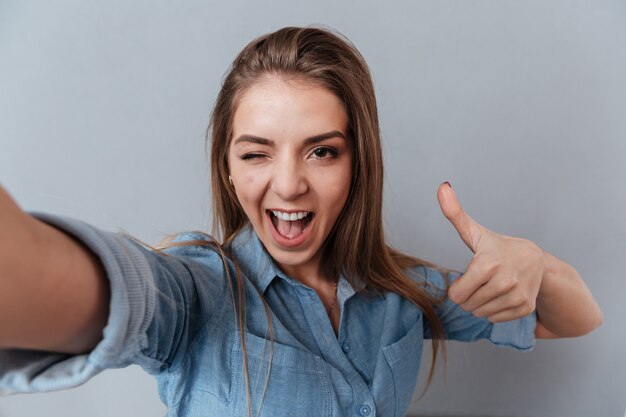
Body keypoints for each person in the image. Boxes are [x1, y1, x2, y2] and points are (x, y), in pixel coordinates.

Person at [0, 26, 602, 417]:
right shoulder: (195, 293)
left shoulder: (398, 291)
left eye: (322, 151)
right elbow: (77, 286)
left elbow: (576, 319)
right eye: (256, 153)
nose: (288, 184)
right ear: (229, 169)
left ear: (357, 165)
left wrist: (534, 262)